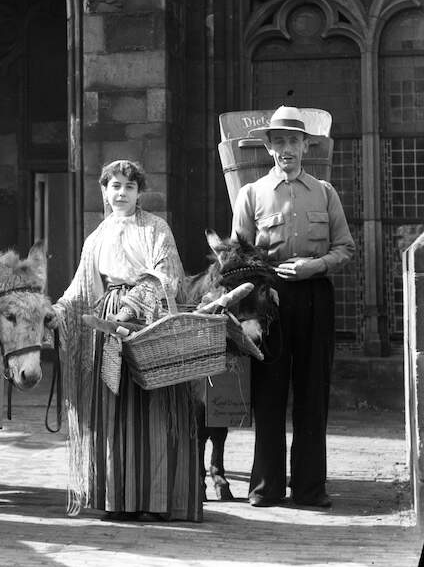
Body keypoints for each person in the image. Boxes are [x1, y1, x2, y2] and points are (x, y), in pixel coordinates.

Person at [53, 159, 203, 522]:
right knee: (113, 409)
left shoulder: (155, 229)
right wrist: (55, 311)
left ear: (139, 192)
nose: (121, 193)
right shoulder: (96, 237)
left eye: (129, 187)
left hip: (147, 325)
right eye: (115, 186)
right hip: (107, 328)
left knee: (153, 408)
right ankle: (117, 500)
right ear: (104, 191)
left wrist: (134, 306)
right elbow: (80, 288)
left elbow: (166, 276)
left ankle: (157, 501)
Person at [232, 105, 354, 508]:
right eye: (279, 141)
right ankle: (266, 487)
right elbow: (236, 259)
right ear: (268, 147)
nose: (287, 148)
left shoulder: (325, 192)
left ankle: (309, 489)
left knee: (312, 393)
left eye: (294, 141)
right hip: (269, 302)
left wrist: (313, 266)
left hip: (315, 298)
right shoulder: (251, 195)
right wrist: (261, 283)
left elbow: (345, 248)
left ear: (306, 145)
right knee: (268, 393)